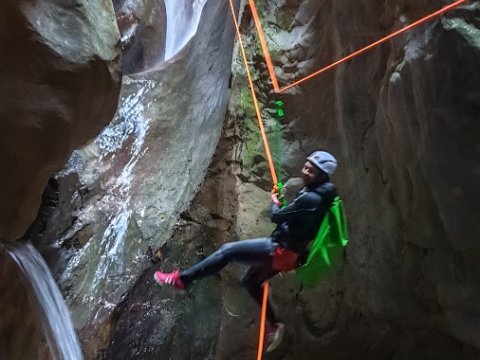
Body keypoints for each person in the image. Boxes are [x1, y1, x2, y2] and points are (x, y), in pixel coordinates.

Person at [154, 150, 338, 352]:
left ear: (322, 174)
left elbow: (276, 217)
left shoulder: (311, 198)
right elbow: (297, 220)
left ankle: (182, 279)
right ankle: (275, 325)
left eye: (310, 170)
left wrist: (275, 202)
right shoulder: (323, 196)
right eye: (305, 166)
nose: (304, 171)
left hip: (279, 250)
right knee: (251, 282)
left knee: (228, 251)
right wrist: (286, 209)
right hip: (290, 257)